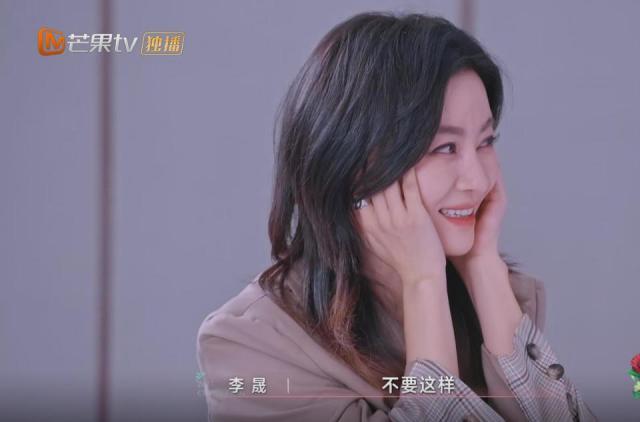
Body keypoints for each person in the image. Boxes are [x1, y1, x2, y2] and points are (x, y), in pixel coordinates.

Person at [196, 11, 598, 421]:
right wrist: (423, 284)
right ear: (353, 166)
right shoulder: (252, 346)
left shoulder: (495, 300)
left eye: (485, 141)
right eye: (444, 148)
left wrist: (484, 268)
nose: (478, 180)